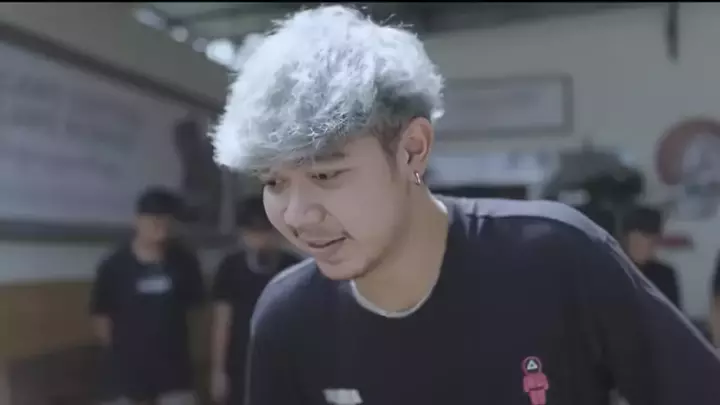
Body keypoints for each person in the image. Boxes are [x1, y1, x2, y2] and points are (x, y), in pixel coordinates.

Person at [210, 5, 720, 405]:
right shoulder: (289, 318)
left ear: (412, 149)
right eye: (274, 182)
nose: (297, 214)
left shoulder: (556, 256)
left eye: (325, 175)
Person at [90, 187, 205, 405]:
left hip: (175, 373)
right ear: (138, 220)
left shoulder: (185, 263)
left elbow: (195, 313)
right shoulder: (113, 265)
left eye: (168, 219)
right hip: (124, 375)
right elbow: (101, 317)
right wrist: (121, 355)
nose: (162, 225)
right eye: (155, 218)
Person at [209, 196, 300, 404]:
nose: (260, 239)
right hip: (240, 362)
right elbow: (222, 322)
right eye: (254, 232)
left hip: (282, 364)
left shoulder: (292, 267)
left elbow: (301, 322)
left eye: (266, 232)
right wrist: (218, 371)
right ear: (243, 234)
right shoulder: (230, 267)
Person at [620, 205, 682, 310]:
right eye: (637, 242)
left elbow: (673, 315)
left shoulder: (665, 275)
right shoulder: (612, 272)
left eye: (650, 243)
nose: (643, 247)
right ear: (626, 239)